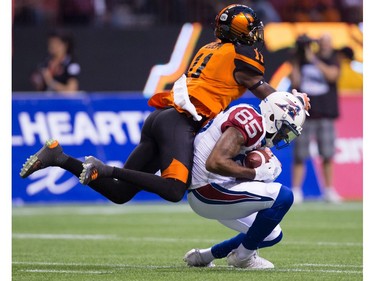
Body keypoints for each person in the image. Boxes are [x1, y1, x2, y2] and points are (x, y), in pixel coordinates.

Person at [20, 5, 310, 205]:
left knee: (119, 194)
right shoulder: (241, 56)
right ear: (239, 32)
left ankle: (58, 157)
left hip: (163, 117)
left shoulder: (212, 48)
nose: (256, 34)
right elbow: (266, 93)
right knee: (174, 189)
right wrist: (295, 101)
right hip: (180, 122)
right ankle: (105, 168)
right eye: (251, 29)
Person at [183, 91, 307, 269]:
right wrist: (256, 174)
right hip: (209, 190)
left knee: (270, 234)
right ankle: (243, 257)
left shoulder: (254, 119)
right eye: (285, 129)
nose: (283, 136)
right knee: (284, 196)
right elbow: (215, 162)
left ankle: (204, 256)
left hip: (213, 189)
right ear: (273, 117)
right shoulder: (252, 123)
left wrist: (299, 102)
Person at [289, 33, 341, 203]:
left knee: (327, 153)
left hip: (325, 112)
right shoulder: (303, 60)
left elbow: (332, 75)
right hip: (304, 114)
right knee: (300, 154)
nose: (325, 46)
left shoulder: (333, 58)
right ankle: (296, 190)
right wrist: (297, 59)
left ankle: (329, 190)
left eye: (328, 42)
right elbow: (295, 82)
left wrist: (314, 60)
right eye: (322, 43)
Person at [30, 29, 81, 93]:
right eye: (50, 43)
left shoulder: (71, 65)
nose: (52, 46)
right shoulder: (45, 62)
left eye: (56, 43)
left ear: (65, 45)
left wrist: (51, 82)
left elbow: (71, 91)